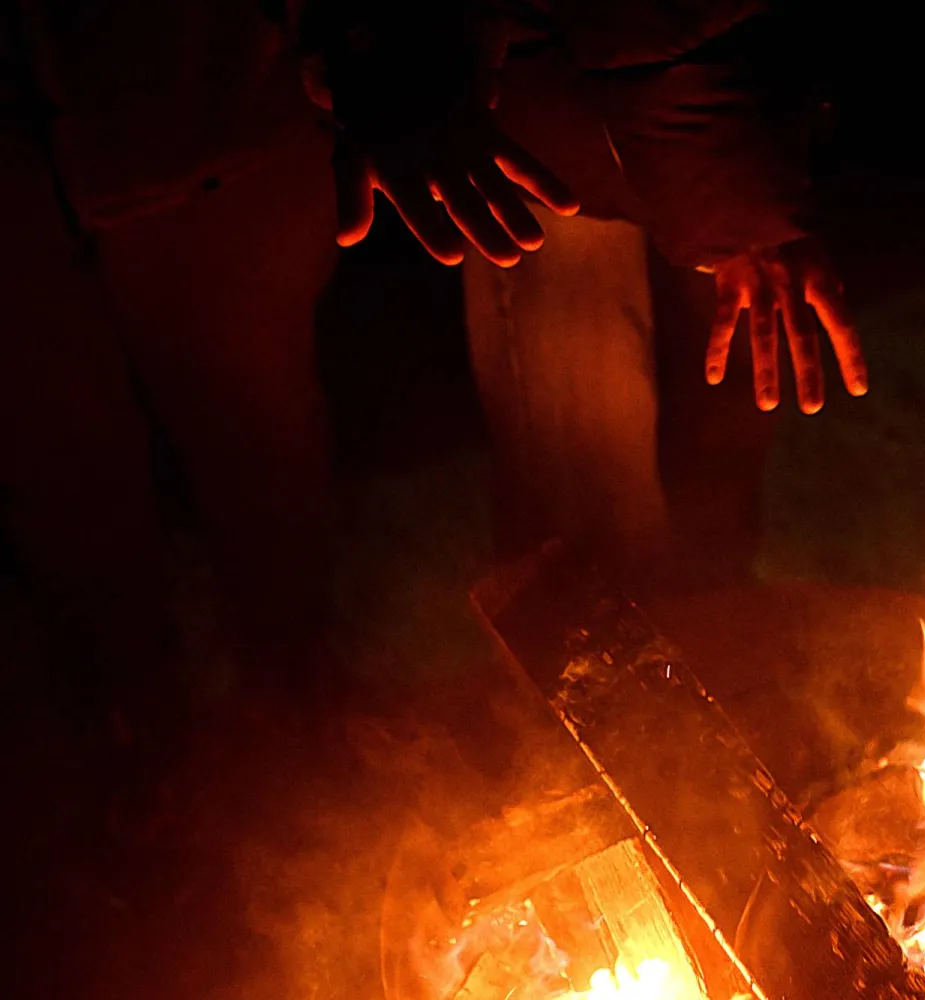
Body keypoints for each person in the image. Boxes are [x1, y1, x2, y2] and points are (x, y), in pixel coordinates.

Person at [299, 0, 866, 580]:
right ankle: (600, 645)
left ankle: (722, 633)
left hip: (705, 107)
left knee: (720, 456)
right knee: (584, 499)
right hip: (536, 119)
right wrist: (392, 43)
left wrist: (745, 191)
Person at [0, 0, 341, 836]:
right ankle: (141, 759)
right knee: (57, 460)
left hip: (196, 103)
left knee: (259, 445)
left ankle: (305, 744)